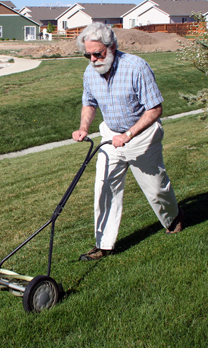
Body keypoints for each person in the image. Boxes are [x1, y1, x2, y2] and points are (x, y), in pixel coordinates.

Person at [72, 22, 184, 261]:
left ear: (112, 46)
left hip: (142, 137)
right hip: (111, 136)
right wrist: (83, 128)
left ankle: (172, 219)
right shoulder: (90, 72)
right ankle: (103, 244)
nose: (92, 59)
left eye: (97, 54)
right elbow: (89, 102)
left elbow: (154, 109)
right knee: (104, 189)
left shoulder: (136, 67)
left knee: (156, 189)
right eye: (87, 55)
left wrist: (129, 134)